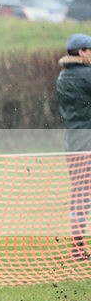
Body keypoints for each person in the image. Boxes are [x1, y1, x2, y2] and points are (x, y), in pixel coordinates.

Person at [56, 32, 91, 260]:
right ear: (81, 52)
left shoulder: (63, 76)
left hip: (73, 140)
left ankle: (77, 246)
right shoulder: (87, 75)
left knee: (79, 193)